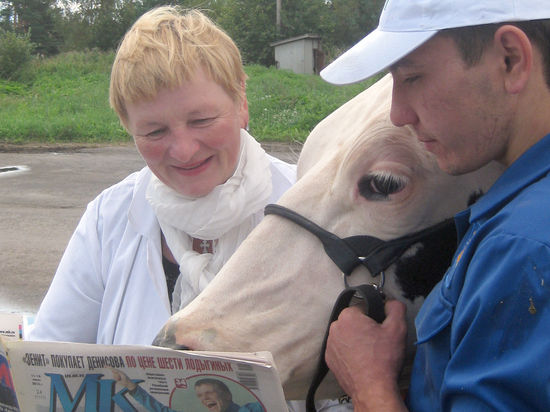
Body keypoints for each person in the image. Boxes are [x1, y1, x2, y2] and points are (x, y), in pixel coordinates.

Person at [320, 0, 550, 410]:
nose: (398, 113)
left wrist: (369, 384)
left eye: (413, 77)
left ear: (511, 60)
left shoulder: (525, 248)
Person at [28, 6, 295, 346]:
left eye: (201, 121)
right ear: (128, 128)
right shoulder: (108, 219)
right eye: (154, 132)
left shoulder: (307, 205)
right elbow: (50, 353)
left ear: (241, 101)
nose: (183, 150)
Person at [112, 370, 263, 412]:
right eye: (200, 395)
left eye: (209, 393)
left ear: (228, 395)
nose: (204, 398)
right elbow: (161, 410)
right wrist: (131, 386)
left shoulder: (254, 408)